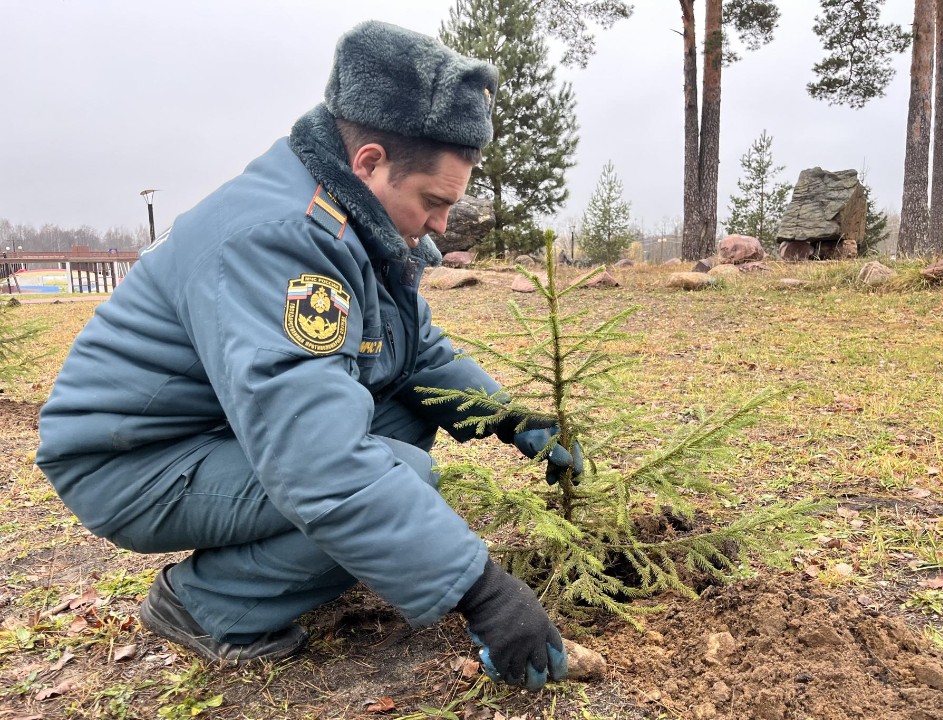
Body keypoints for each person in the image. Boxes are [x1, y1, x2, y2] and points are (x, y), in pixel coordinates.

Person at [36, 20, 581, 690]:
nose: (442, 224)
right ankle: (204, 605)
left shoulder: (357, 223)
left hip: (218, 428)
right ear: (370, 162)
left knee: (406, 425)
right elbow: (317, 463)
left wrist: (509, 418)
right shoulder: (282, 241)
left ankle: (285, 565)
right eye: (435, 202)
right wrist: (482, 592)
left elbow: (411, 357)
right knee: (400, 473)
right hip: (130, 461)